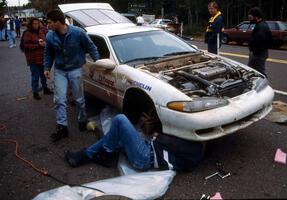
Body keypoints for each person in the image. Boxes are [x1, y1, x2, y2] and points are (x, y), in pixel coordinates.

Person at [65, 114, 205, 172]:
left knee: (120, 119)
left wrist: (157, 134)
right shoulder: (195, 146)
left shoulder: (195, 148)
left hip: (145, 157)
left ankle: (106, 153)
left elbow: (163, 141)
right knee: (116, 135)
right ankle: (84, 155)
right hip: (148, 151)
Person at [44, 9, 100, 142]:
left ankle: (82, 120)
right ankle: (62, 127)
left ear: (58, 22)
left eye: (50, 22)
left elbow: (92, 48)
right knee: (59, 99)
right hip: (60, 71)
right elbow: (48, 53)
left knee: (79, 99)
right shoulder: (50, 36)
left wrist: (97, 64)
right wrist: (46, 67)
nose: (48, 25)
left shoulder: (78, 33)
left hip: (75, 69)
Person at [23, 17, 53, 100]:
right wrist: (38, 45)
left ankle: (45, 89)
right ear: (31, 24)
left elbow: (46, 40)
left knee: (44, 75)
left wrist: (45, 43)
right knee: (35, 76)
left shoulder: (41, 31)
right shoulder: (27, 33)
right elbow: (26, 46)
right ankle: (35, 92)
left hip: (42, 57)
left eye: (37, 23)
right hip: (33, 58)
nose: (36, 25)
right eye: (34, 24)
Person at [247, 7, 272, 77]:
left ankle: (265, 86)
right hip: (258, 54)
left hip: (258, 55)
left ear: (256, 17)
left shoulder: (262, 27)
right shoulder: (261, 25)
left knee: (261, 73)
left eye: (251, 17)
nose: (249, 20)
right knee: (251, 71)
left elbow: (260, 41)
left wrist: (254, 52)